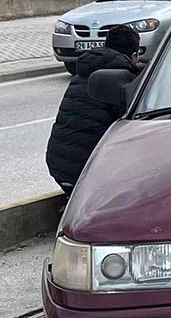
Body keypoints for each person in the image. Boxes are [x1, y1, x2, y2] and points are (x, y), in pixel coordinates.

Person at [45, 25, 142, 195]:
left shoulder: (83, 72)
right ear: (134, 56)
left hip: (58, 166)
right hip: (87, 174)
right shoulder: (123, 81)